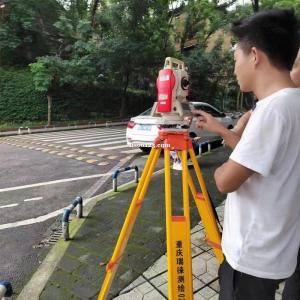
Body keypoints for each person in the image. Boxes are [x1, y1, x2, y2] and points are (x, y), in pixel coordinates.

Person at [194, 9, 300, 300]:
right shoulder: (293, 103)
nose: (234, 68)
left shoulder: (273, 110)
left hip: (251, 257)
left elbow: (225, 181)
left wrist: (219, 169)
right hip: (277, 248)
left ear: (254, 56)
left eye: (235, 59)